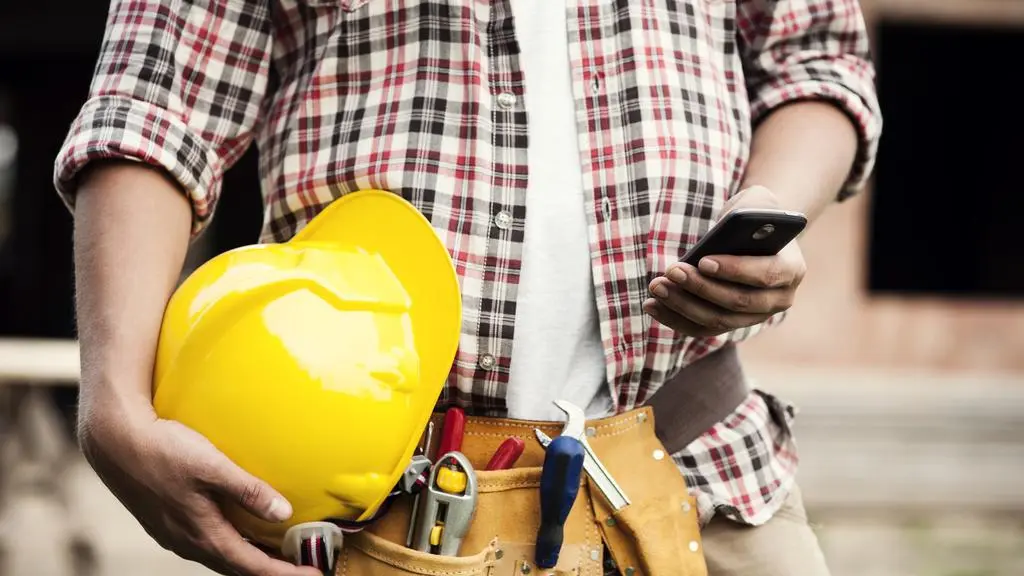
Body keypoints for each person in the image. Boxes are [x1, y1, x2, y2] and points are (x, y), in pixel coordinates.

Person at [53, 0, 881, 575]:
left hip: (702, 475)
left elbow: (815, 59)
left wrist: (773, 204)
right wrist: (114, 402)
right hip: (376, 509)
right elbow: (157, 103)